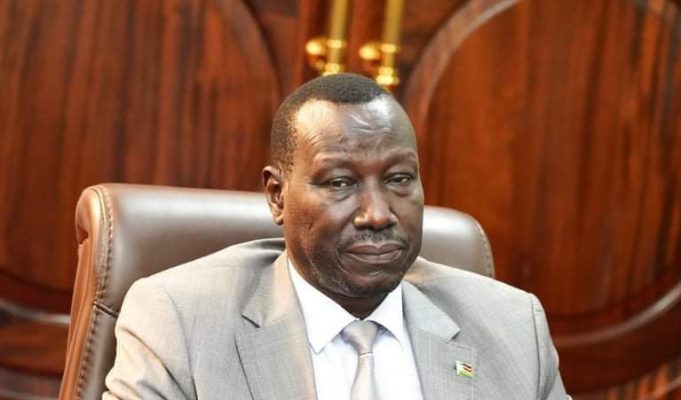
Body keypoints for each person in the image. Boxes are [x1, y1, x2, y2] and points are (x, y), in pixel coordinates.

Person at [104, 73, 570, 399]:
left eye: (399, 179)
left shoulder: (512, 325)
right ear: (277, 196)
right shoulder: (181, 322)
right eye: (340, 183)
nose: (377, 214)